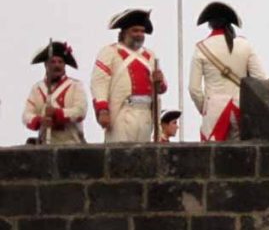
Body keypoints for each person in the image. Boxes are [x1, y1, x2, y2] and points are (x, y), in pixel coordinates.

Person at [189, 1, 267, 141]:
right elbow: (260, 79)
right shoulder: (244, 45)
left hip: (214, 112)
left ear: (210, 24)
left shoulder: (201, 48)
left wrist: (205, 109)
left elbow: (194, 89)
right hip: (241, 108)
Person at [91, 9, 167, 142]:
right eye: (135, 31)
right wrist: (102, 110)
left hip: (145, 112)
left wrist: (159, 81)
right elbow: (99, 83)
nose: (139, 35)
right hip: (123, 112)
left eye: (142, 31)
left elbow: (162, 88)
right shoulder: (110, 52)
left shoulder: (150, 56)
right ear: (124, 33)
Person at [23, 41, 87, 144]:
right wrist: (40, 120)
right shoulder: (37, 88)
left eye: (60, 62)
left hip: (72, 143)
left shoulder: (75, 85)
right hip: (45, 144)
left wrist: (57, 113)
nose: (57, 65)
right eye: (53, 62)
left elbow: (80, 111)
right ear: (46, 65)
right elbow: (26, 115)